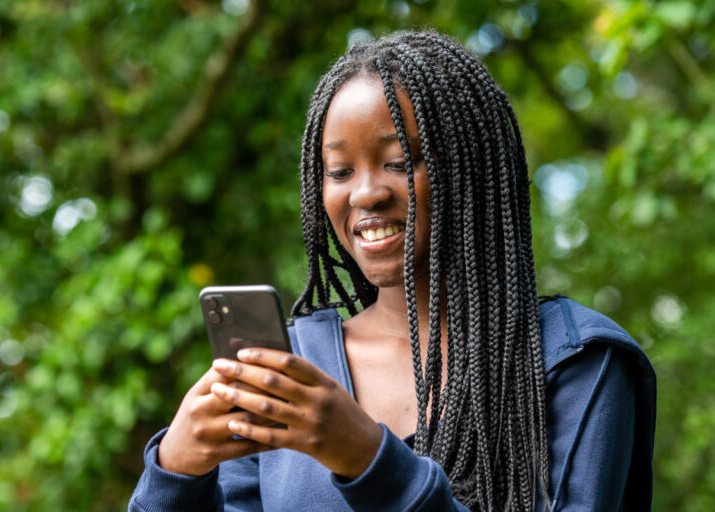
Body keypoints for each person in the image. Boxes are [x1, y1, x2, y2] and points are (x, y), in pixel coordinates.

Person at [129, 30, 655, 511]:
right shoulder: (291, 368)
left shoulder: (575, 358)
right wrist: (174, 473)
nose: (366, 193)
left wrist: (366, 459)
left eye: (399, 162)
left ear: (470, 167)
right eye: (339, 171)